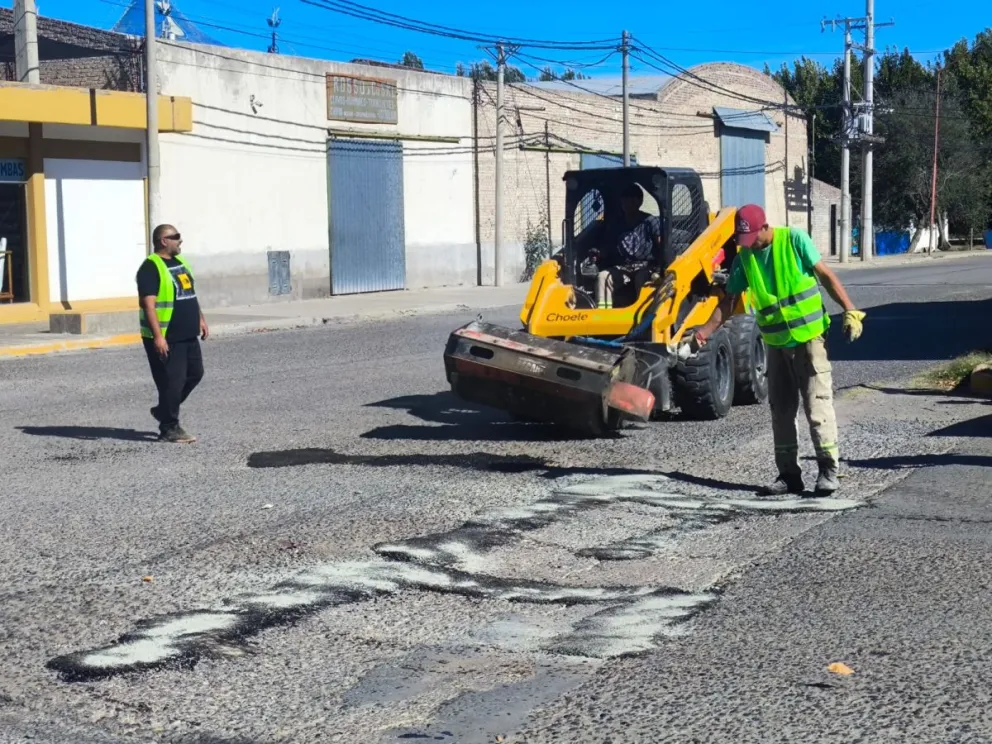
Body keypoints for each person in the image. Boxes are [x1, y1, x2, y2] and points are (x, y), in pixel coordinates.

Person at [692, 204, 866, 496]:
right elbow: (729, 300)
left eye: (752, 238)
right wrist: (703, 333)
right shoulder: (745, 258)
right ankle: (788, 476)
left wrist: (850, 309)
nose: (749, 245)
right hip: (775, 344)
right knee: (781, 411)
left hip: (809, 338)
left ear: (765, 226)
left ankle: (827, 470)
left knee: (817, 405)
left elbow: (825, 275)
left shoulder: (794, 240)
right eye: (743, 240)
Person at [136, 224, 209, 443]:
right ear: (163, 241)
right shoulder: (150, 267)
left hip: (188, 334)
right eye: (175, 237)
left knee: (195, 374)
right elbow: (148, 305)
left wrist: (201, 318)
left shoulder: (181, 263)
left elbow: (189, 294)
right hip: (168, 336)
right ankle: (169, 427)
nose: (180, 240)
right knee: (172, 383)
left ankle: (163, 410)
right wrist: (158, 337)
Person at [595, 183, 664, 309]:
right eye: (625, 200)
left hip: (646, 266)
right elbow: (607, 248)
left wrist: (661, 266)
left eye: (632, 200)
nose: (627, 204)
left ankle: (643, 313)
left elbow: (662, 244)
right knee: (603, 277)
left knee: (641, 278)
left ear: (639, 202)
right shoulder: (617, 224)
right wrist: (597, 253)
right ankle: (604, 313)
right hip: (623, 267)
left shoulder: (651, 221)